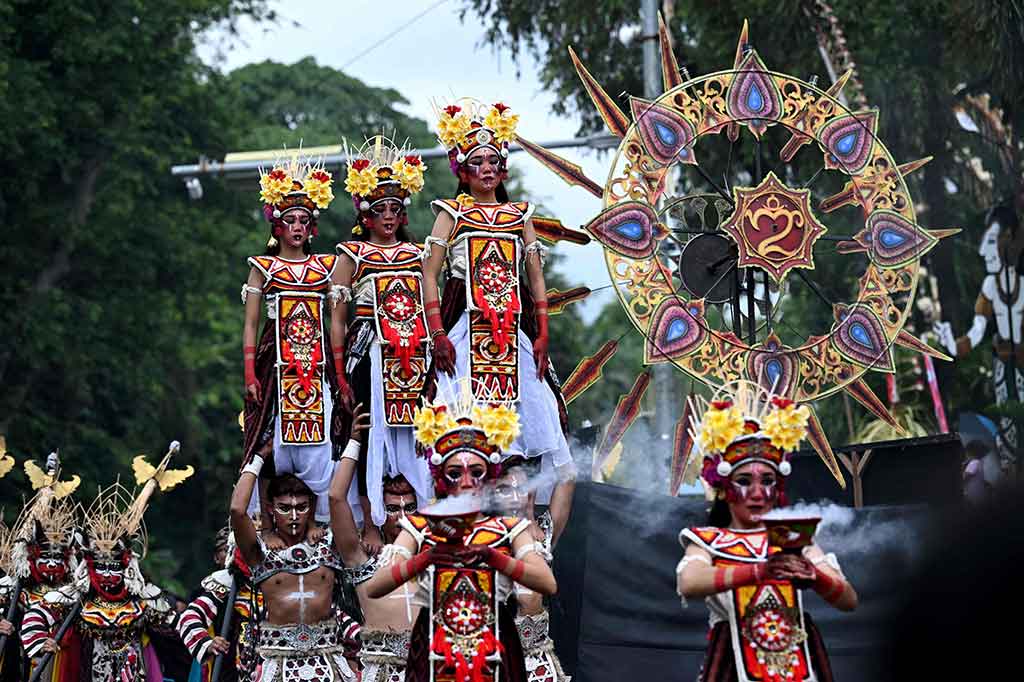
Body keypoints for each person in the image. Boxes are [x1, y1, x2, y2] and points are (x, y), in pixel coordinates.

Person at [421, 99, 571, 501]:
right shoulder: (450, 214)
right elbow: (429, 275)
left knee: (539, 419)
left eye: (493, 161)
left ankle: (526, 513)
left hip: (513, 337)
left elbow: (535, 278)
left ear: (502, 168)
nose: (486, 168)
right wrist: (438, 334)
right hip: (464, 333)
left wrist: (543, 335)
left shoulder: (519, 215)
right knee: (457, 421)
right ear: (462, 170)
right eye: (477, 162)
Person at [362, 382, 557, 682]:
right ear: (441, 478)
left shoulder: (508, 528)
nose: (466, 481)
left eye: (476, 472)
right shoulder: (421, 526)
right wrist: (428, 558)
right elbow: (375, 587)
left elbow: (547, 583)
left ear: (490, 477)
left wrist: (492, 556)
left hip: (494, 652)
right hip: (434, 652)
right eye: (455, 473)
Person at [676, 383, 857, 682]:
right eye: (744, 481)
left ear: (779, 487)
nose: (758, 493)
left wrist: (815, 576)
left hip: (798, 667)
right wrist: (761, 571)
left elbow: (848, 600)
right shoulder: (708, 540)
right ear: (725, 488)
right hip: (732, 668)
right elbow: (689, 582)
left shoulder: (795, 539)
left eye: (768, 481)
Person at [334, 136, 433, 546]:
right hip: (368, 353)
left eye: (395, 208)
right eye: (379, 210)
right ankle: (371, 522)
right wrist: (339, 373)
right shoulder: (351, 255)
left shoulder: (419, 254)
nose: (388, 216)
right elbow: (337, 320)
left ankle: (428, 513)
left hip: (416, 355)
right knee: (365, 430)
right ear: (365, 214)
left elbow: (431, 306)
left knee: (423, 431)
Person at [241, 151, 344, 522]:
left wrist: (340, 375)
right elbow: (251, 324)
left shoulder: (327, 267)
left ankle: (319, 521)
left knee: (325, 434)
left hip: (318, 363)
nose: (298, 227)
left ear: (312, 227)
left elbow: (337, 323)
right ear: (277, 226)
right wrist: (250, 374)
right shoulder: (263, 267)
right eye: (290, 220)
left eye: (304, 220)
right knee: (266, 436)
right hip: (275, 362)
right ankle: (266, 523)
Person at [23, 481, 181, 681]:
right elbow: (36, 615)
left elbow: (179, 623)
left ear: (126, 566)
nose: (106, 574)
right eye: (100, 567)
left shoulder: (143, 597)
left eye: (113, 567)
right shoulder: (75, 596)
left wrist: (203, 640)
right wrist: (40, 642)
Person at [229, 451, 357, 682]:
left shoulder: (329, 543)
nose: (294, 515)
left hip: (328, 660)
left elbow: (338, 496)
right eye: (285, 508)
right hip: (277, 662)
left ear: (312, 506)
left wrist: (354, 443)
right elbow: (238, 510)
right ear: (270, 508)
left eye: (302, 507)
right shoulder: (260, 552)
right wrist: (258, 456)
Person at [329, 403, 420, 682]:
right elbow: (336, 498)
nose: (402, 518)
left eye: (410, 508)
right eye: (392, 509)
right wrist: (356, 442)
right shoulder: (363, 561)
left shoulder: (435, 557)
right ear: (380, 512)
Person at [935, 204, 1024, 469]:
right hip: (1004, 367)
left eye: (992, 241)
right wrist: (952, 344)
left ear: (1010, 239)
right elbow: (977, 330)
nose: (984, 250)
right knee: (1009, 426)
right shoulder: (990, 285)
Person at [0, 455, 79, 682]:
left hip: (56, 664)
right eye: (46, 557)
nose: (52, 564)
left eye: (57, 558)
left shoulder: (73, 592)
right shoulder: (11, 585)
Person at [495, 457, 573, 682]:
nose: (514, 498)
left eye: (521, 490)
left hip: (535, 665)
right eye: (504, 490)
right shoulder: (478, 539)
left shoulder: (542, 535)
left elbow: (568, 476)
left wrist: (553, 437)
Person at [176, 529, 262, 682]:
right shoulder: (221, 586)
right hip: (230, 670)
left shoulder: (285, 581)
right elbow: (189, 617)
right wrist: (208, 643)